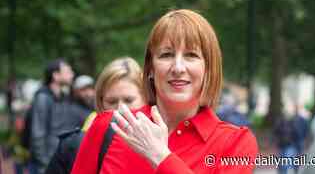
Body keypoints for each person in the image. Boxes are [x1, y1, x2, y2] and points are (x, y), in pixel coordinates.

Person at [71, 9, 258, 174]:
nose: (177, 67)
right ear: (151, 68)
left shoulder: (235, 143)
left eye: (191, 55)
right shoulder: (109, 126)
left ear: (208, 69)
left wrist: (160, 156)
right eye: (166, 55)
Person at [45, 57, 145, 174]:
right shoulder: (73, 147)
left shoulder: (160, 145)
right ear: (100, 102)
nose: (120, 109)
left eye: (129, 100)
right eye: (112, 102)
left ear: (145, 98)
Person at [30, 59, 74, 174]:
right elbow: (38, 134)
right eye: (68, 71)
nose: (72, 74)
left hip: (60, 161)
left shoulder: (63, 97)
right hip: (47, 165)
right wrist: (45, 164)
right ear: (56, 75)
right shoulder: (43, 98)